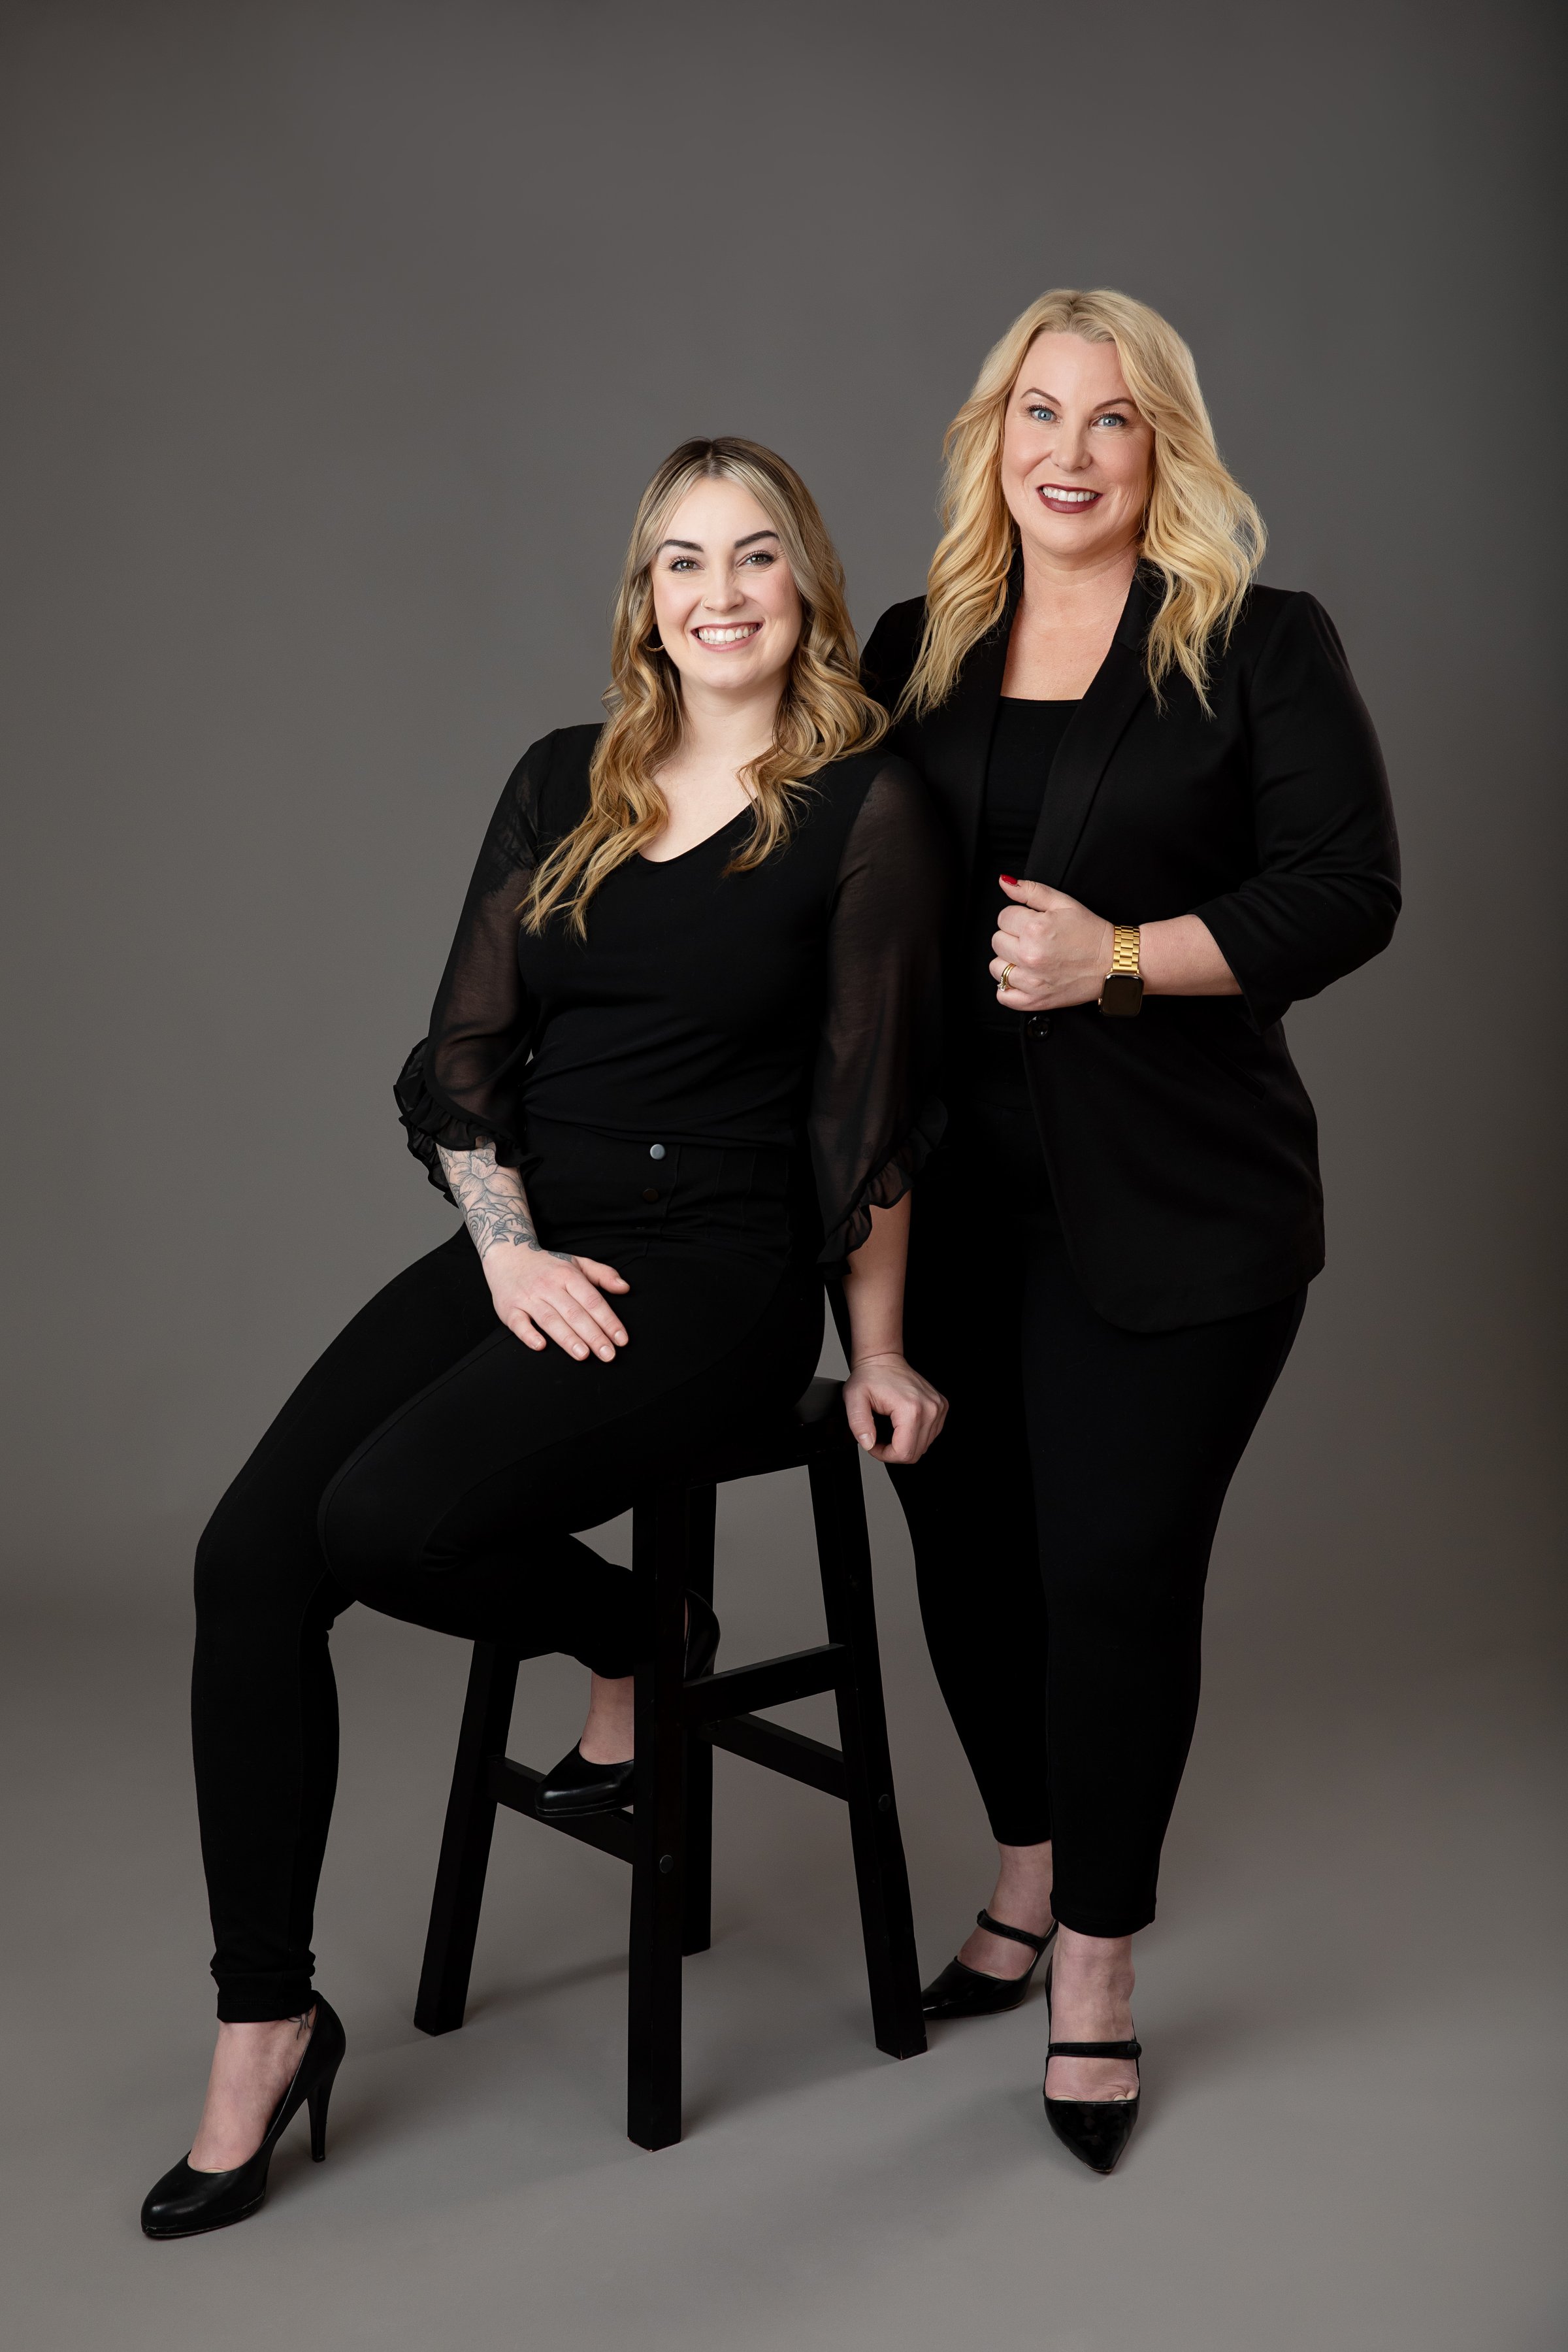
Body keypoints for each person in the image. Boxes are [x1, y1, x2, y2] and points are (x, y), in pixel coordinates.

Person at [141, 437, 949, 2239]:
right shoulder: (559, 780)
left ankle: (644, 1628)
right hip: (540, 1245)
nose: (721, 593)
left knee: (386, 1522)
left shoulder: (865, 804)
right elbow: (464, 1061)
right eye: (682, 562)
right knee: (246, 1561)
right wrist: (503, 1249)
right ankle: (265, 2022)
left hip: (721, 1271)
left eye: (755, 557)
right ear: (643, 596)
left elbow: (868, 1119)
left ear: (804, 582)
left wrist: (875, 1350)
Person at [859, 289, 1399, 2174]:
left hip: (1182, 1208)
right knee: (966, 1565)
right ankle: (1023, 1875)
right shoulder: (923, 644)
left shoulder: (1255, 648)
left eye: (1109, 420)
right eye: (1036, 414)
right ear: (990, 439)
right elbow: (841, 886)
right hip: (944, 1214)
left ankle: (1094, 1965)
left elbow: (1350, 891)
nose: (1068, 454)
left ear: (1167, 444)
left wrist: (1119, 965)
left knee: (1106, 1576)